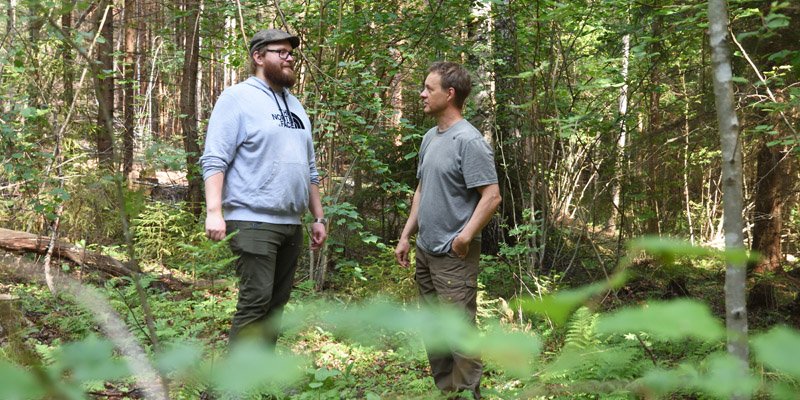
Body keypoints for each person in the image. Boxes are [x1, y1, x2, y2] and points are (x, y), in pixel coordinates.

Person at [200, 28, 327, 345]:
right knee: (256, 301)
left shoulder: (295, 106)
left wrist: (318, 217)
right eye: (281, 52)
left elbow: (309, 167)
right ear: (258, 56)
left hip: (291, 224)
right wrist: (214, 212)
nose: (289, 59)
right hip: (252, 219)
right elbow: (215, 158)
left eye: (291, 53)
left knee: (275, 308)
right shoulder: (236, 99)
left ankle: (261, 371)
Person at [395, 62, 501, 399]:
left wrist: (465, 237)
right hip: (426, 251)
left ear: (450, 94)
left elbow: (492, 196)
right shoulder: (430, 137)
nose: (422, 94)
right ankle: (448, 392)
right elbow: (422, 190)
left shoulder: (469, 141)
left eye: (429, 88)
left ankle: (470, 393)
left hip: (454, 257)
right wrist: (406, 235)